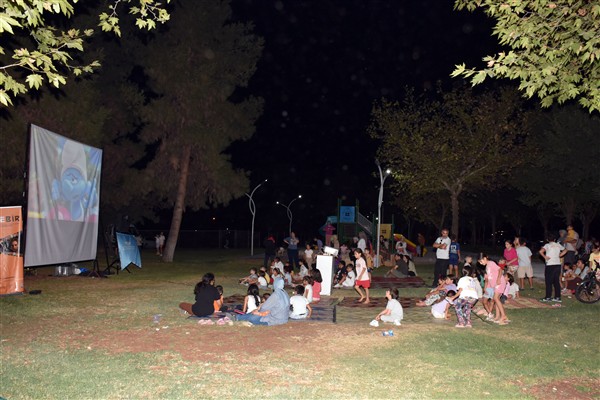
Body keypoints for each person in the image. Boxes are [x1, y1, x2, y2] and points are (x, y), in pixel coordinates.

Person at [539, 233, 567, 302]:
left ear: (547, 239)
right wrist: (560, 255)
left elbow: (540, 251)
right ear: (554, 239)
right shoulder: (558, 245)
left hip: (550, 265)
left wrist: (545, 257)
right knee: (556, 281)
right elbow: (566, 250)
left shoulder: (547, 245)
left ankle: (548, 297)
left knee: (548, 281)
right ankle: (557, 297)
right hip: (557, 264)